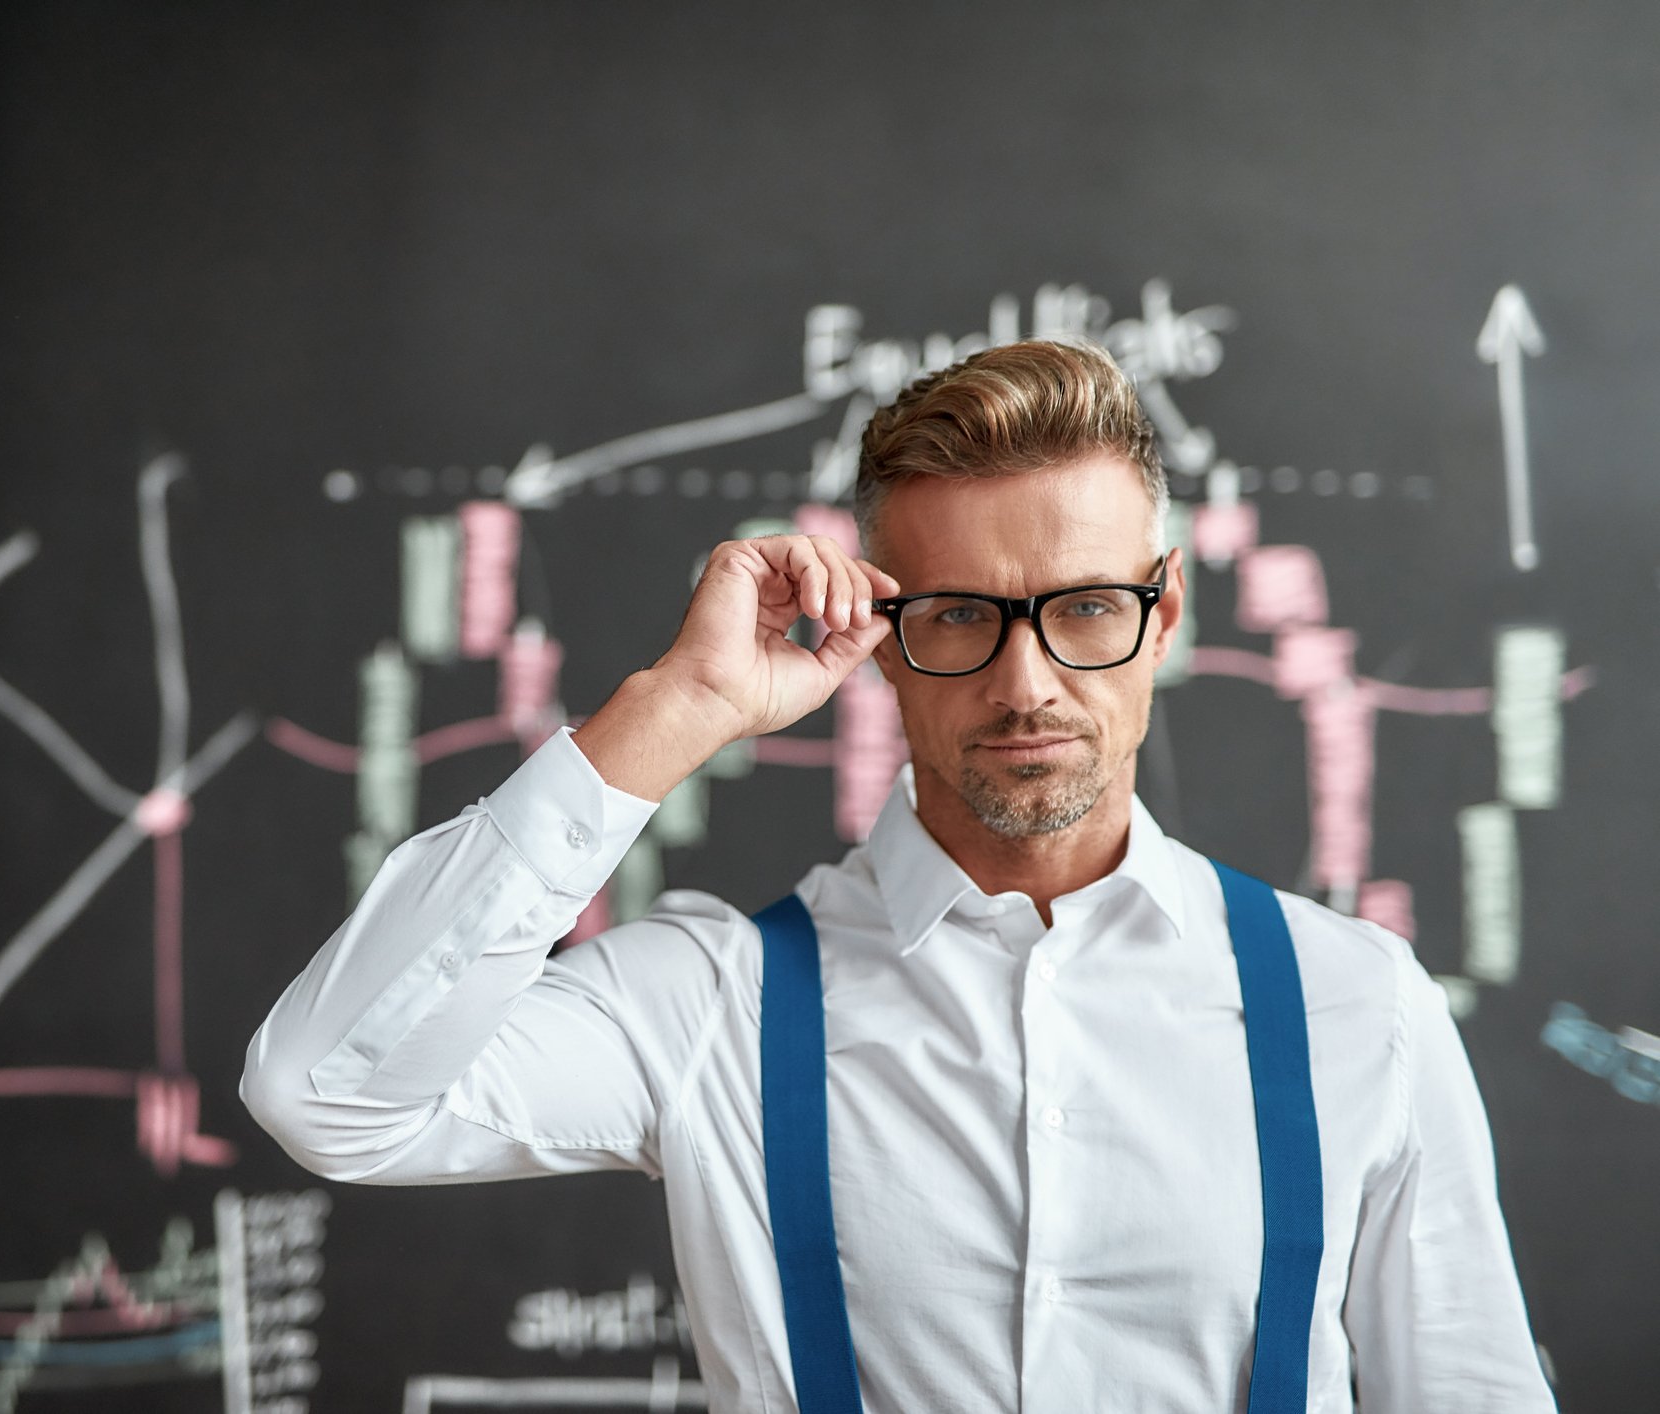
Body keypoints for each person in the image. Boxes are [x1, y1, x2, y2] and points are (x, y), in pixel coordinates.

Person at [242, 341, 1555, 1411]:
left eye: (1085, 607)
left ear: (1162, 614)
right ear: (879, 638)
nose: (1028, 680)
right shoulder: (717, 1002)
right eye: (962, 616)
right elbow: (325, 1091)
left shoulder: (1356, 1004)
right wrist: (676, 705)